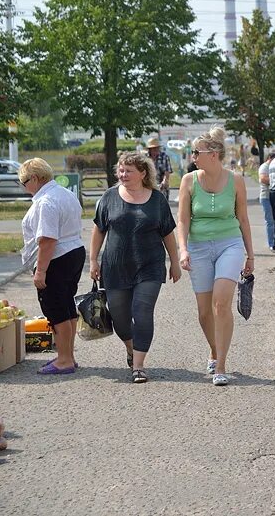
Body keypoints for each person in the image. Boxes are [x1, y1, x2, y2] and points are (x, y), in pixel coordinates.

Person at [89, 152, 180, 383]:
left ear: (142, 173)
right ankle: (131, 348)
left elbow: (168, 232)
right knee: (119, 317)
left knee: (142, 311)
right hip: (115, 266)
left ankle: (138, 365)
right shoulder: (109, 197)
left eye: (128, 171)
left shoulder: (157, 200)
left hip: (149, 265)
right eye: (120, 170)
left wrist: (175, 263)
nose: (123, 174)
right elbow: (99, 229)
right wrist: (93, 260)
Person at [177, 127, 255, 387]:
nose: (192, 157)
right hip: (198, 246)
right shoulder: (188, 181)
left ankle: (221, 364)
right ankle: (213, 349)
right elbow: (183, 219)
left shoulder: (236, 180)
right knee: (204, 312)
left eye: (196, 152)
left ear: (212, 155)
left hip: (229, 244)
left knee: (221, 303)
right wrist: (183, 249)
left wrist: (250, 255)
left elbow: (243, 218)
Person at [19, 158, 86, 375]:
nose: (24, 187)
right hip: (74, 251)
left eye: (24, 182)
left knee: (56, 309)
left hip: (57, 258)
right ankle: (68, 355)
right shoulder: (64, 193)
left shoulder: (45, 201)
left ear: (36, 178)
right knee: (66, 306)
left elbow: (47, 239)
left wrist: (40, 271)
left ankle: (64, 359)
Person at [257, 151, 275, 251]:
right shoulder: (264, 166)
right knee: (270, 221)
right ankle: (271, 243)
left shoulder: (274, 167)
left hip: (274, 196)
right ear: (270, 158)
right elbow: (263, 179)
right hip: (266, 196)